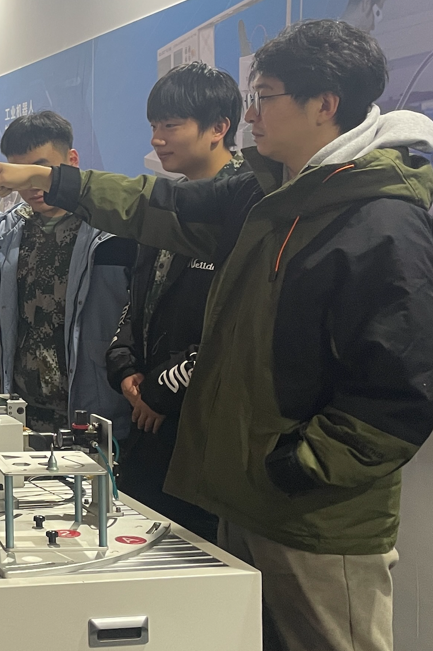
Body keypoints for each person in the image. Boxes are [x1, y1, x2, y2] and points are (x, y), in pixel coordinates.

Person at [0, 19, 433, 651]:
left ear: (324, 104)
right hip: (249, 499)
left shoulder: (379, 220)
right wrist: (49, 180)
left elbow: (402, 390)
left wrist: (299, 466)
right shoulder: (266, 196)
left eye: (266, 96)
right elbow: (156, 205)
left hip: (317, 520)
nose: (253, 115)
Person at [105, 62, 244, 544]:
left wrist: (162, 392)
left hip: (203, 432)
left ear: (218, 128)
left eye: (170, 125)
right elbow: (137, 301)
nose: (157, 140)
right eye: (153, 126)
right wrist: (125, 367)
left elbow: (232, 328)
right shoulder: (169, 203)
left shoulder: (245, 206)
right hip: (146, 427)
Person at [0, 111, 135, 439]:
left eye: (41, 170)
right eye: (21, 173)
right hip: (24, 413)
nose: (32, 184)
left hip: (97, 414)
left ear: (72, 161)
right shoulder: (8, 234)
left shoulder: (113, 232)